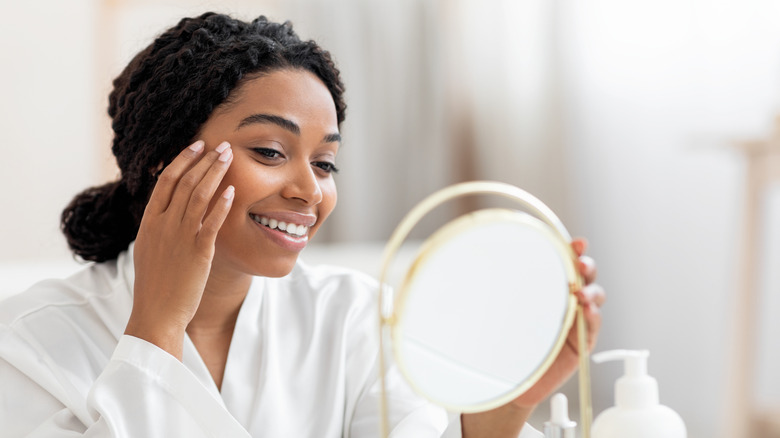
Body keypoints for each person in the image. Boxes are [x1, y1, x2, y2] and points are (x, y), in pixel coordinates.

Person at [0, 12, 605, 438]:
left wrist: (502, 413)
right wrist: (156, 330)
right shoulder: (27, 341)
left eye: (326, 163)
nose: (309, 190)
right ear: (164, 162)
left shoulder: (355, 318)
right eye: (269, 151)